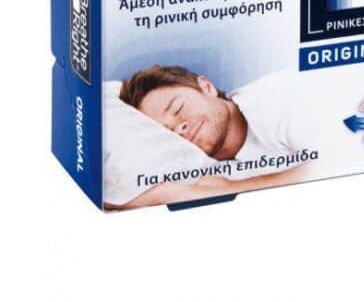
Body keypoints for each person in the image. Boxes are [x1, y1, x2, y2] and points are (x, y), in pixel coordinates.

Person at [114, 65, 315, 209]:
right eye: (169, 132)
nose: (180, 127)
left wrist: (232, 188)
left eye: (178, 108)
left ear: (207, 87)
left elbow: (330, 164)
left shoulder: (277, 97)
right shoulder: (202, 173)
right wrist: (165, 194)